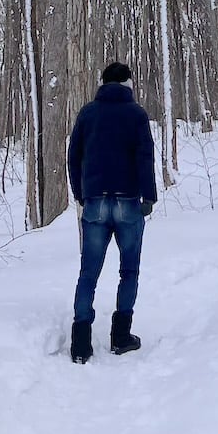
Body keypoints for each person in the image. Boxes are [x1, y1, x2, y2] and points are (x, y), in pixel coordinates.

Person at [67, 61, 157, 363]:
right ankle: (121, 336)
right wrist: (149, 197)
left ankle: (80, 343)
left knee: (88, 272)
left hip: (94, 201)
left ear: (102, 82)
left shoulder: (88, 113)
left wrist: (81, 193)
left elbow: (74, 156)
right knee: (128, 270)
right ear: (129, 83)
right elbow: (145, 157)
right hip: (129, 201)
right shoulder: (136, 114)